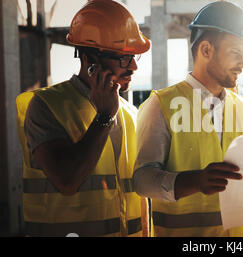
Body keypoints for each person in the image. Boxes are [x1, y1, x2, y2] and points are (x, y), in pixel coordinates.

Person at [15, 0, 151, 237]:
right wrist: (104, 117)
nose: (133, 67)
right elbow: (67, 181)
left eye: (135, 57)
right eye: (123, 58)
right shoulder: (46, 107)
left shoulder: (131, 114)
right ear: (90, 61)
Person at [133, 1, 243, 237]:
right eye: (235, 52)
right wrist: (196, 181)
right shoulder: (161, 105)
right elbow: (142, 180)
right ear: (206, 50)